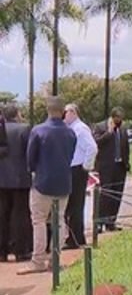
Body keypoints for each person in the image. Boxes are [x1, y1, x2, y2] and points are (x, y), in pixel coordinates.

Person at [18, 97, 76, 275]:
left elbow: (30, 159)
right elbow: (71, 156)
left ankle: (38, 260)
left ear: (47, 110)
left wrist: (35, 170)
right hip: (64, 183)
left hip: (42, 183)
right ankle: (55, 260)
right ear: (63, 112)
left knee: (39, 221)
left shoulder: (38, 131)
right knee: (59, 221)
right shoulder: (70, 133)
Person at [62, 104, 98, 249]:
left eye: (66, 112)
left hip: (77, 169)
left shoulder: (80, 129)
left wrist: (86, 165)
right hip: (72, 168)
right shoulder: (71, 128)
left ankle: (76, 238)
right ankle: (73, 236)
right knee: (71, 205)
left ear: (73, 112)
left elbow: (92, 147)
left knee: (76, 205)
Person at [0, 105, 32, 262]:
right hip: (20, 179)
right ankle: (21, 250)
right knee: (20, 215)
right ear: (17, 114)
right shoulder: (25, 129)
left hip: (2, 180)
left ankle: (2, 252)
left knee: (2, 215)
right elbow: (30, 152)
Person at [94, 108, 130, 232]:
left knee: (117, 195)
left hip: (120, 166)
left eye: (121, 119)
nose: (119, 121)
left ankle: (111, 221)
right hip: (106, 167)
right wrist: (108, 133)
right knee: (105, 194)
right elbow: (96, 142)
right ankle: (99, 222)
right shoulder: (100, 127)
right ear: (112, 117)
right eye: (117, 119)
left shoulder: (123, 129)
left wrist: (126, 163)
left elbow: (126, 147)